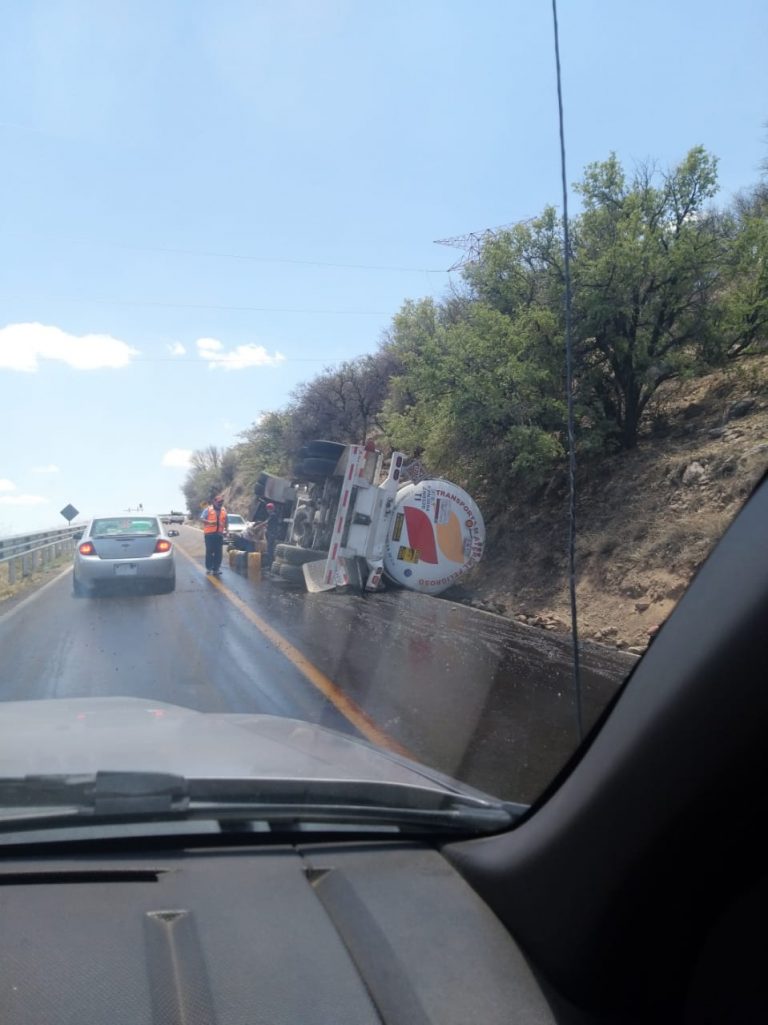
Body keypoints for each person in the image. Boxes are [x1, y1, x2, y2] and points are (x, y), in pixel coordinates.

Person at [200, 494, 227, 575]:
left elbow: (226, 521)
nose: (220, 503)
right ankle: (209, 568)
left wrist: (227, 530)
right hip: (209, 534)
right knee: (209, 551)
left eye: (221, 502)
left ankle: (216, 569)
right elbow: (201, 518)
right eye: (219, 502)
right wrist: (209, 522)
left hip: (219, 534)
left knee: (218, 552)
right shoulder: (208, 510)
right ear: (214, 502)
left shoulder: (223, 510)